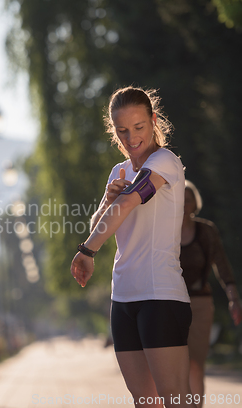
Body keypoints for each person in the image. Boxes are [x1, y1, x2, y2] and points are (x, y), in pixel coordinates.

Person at [71, 86, 196, 408]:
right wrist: (107, 200)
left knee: (176, 401)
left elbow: (128, 203)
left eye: (139, 127)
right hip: (123, 299)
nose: (131, 138)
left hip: (161, 296)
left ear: (153, 121)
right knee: (145, 404)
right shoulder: (119, 172)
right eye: (122, 130)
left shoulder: (164, 161)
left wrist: (87, 251)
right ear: (114, 131)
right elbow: (102, 220)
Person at [181, 180, 242, 406]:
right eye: (180, 198)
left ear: (195, 203)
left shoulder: (206, 231)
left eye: (188, 199)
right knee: (172, 364)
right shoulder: (163, 230)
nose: (184, 203)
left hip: (199, 303)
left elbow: (222, 265)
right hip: (168, 304)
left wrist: (233, 298)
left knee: (195, 362)